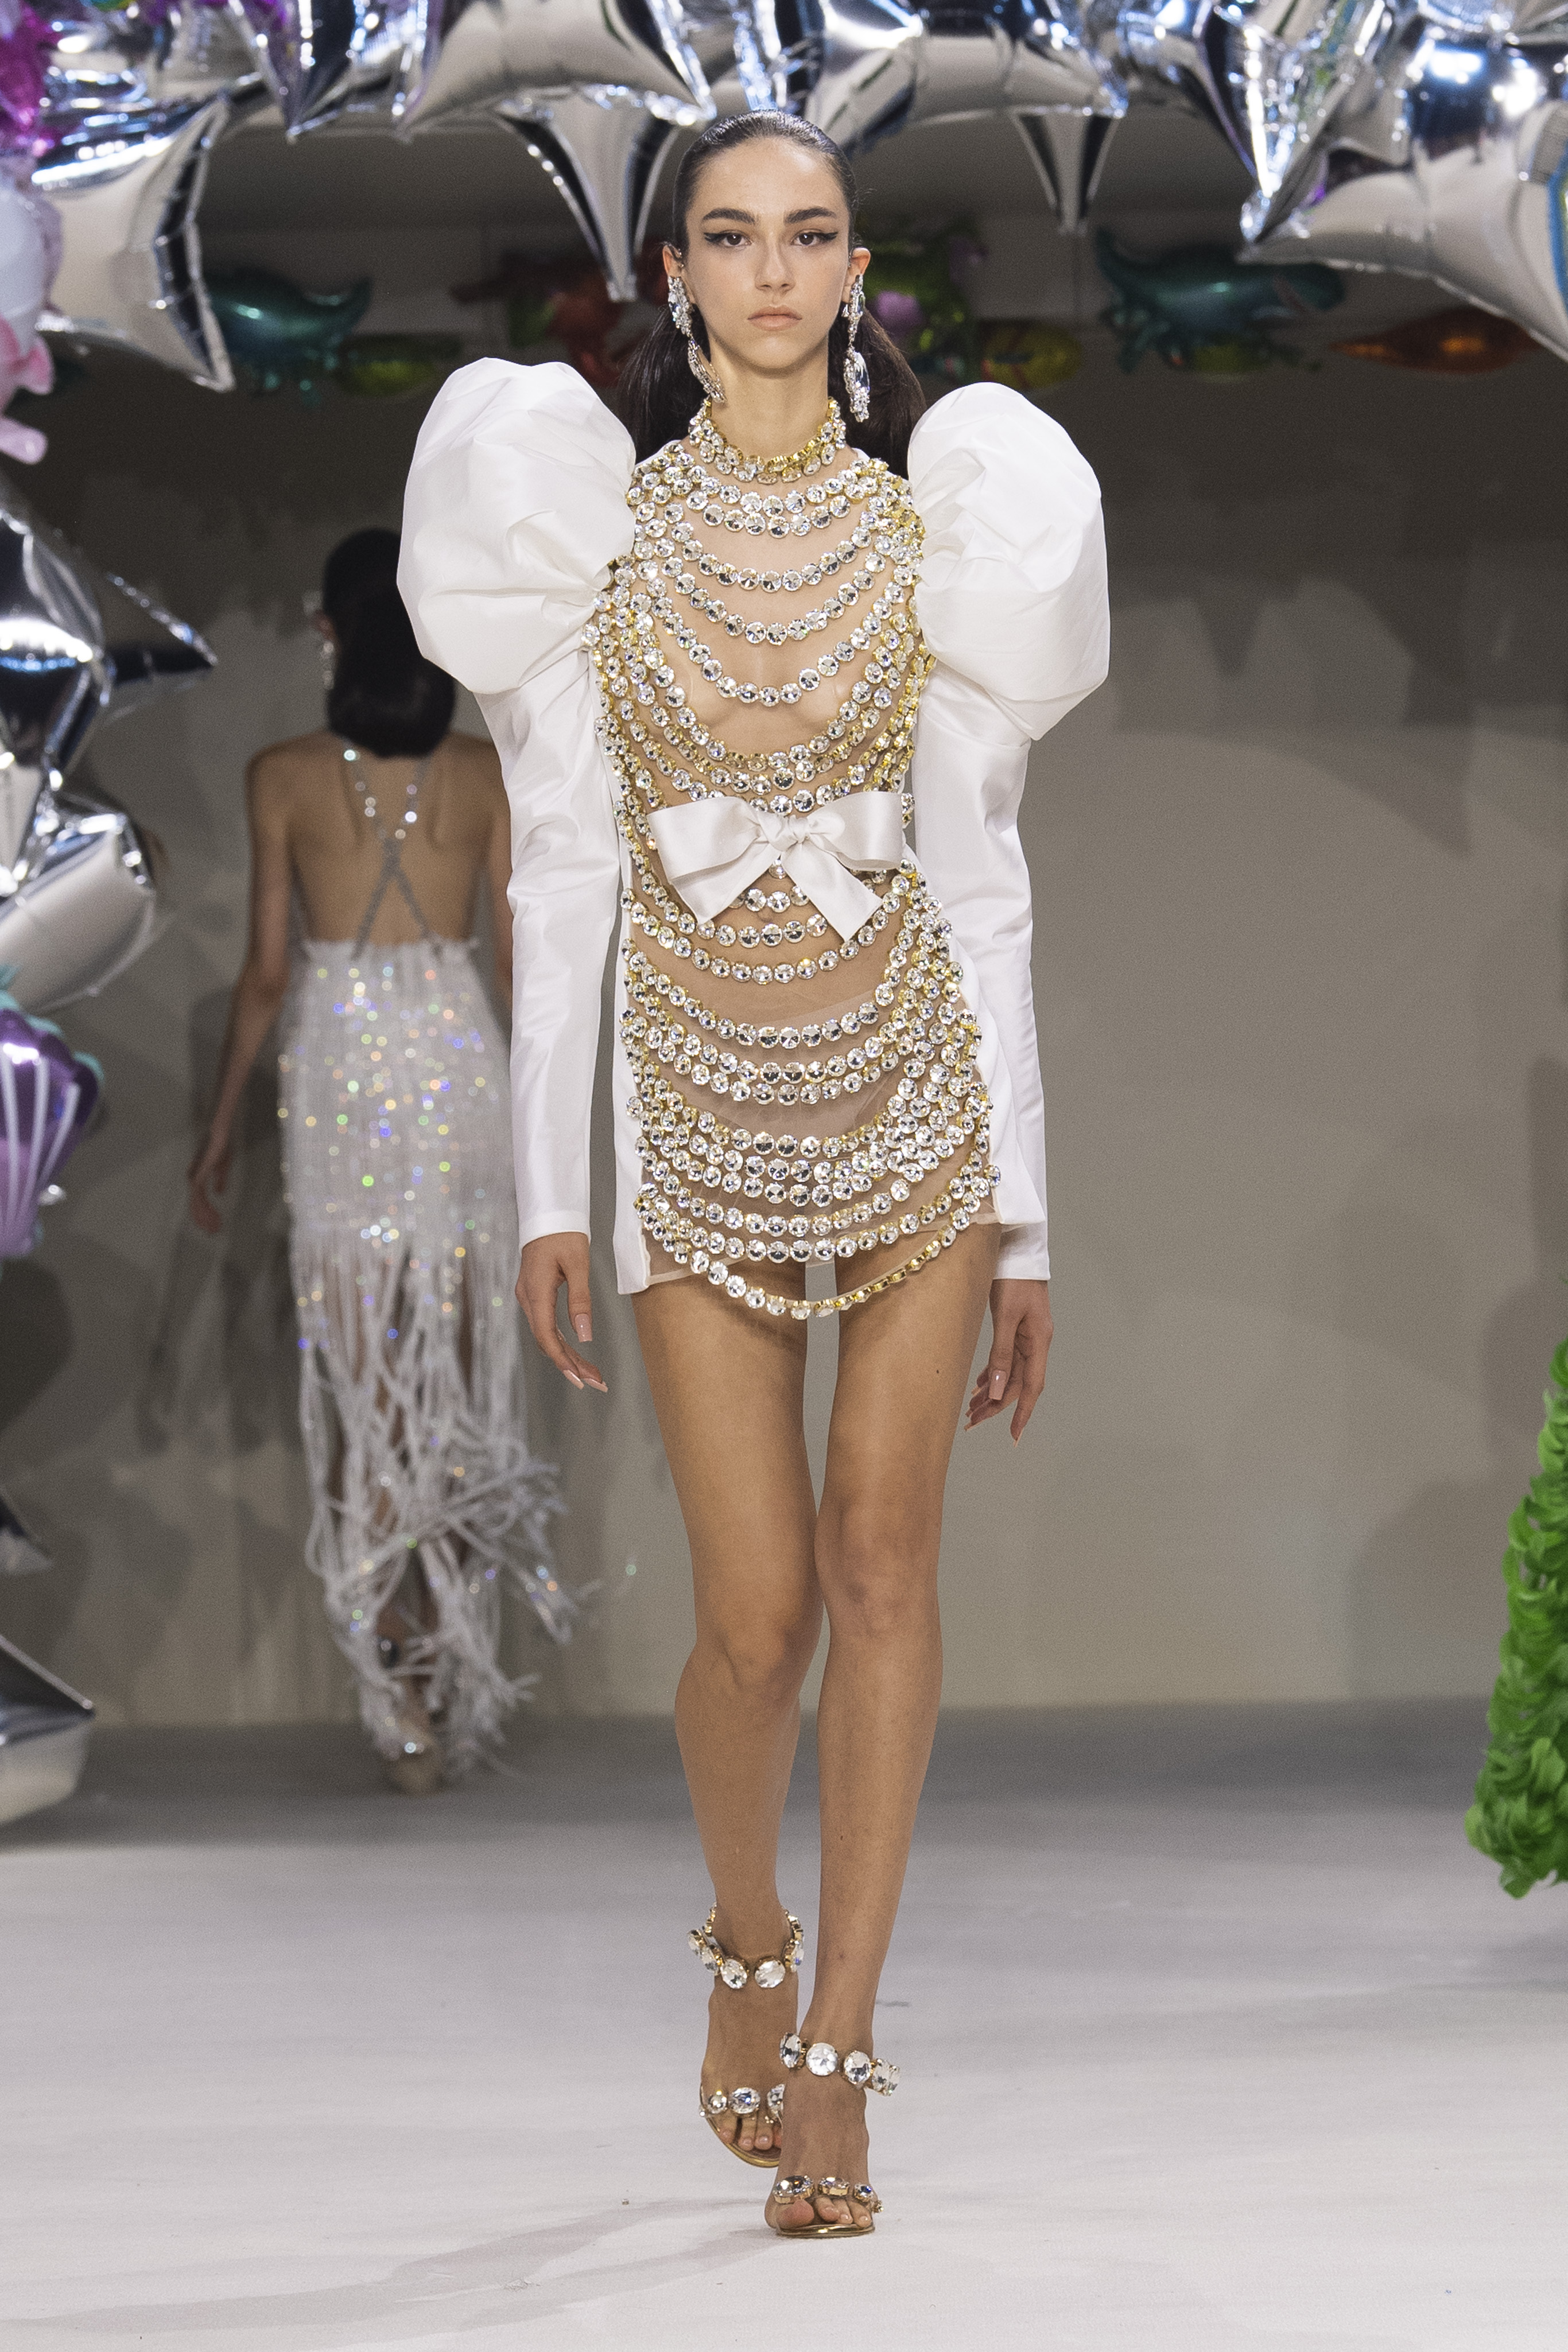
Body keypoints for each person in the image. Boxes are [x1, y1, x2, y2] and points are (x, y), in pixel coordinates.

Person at [401, 114, 1108, 2232]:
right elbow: (559, 879)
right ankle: (744, 1941)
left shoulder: (937, 538)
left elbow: (986, 890)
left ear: (856, 270)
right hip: (690, 1108)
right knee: (757, 1613)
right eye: (733, 234)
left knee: (885, 1568)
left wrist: (1027, 1216)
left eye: (809, 235)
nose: (775, 270)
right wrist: (548, 1186)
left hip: (914, 1097)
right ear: (677, 274)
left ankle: (841, 2057)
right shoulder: (590, 547)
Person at [188, 528, 565, 1795]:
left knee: (369, 1392)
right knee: (450, 1381)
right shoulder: (484, 773)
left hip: (343, 1071)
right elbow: (517, 966)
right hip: (459, 1063)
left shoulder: (283, 777)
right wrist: (550, 1142)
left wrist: (219, 1127)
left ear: (330, 630)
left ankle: (400, 1681)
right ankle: (442, 1661)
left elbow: (266, 975)